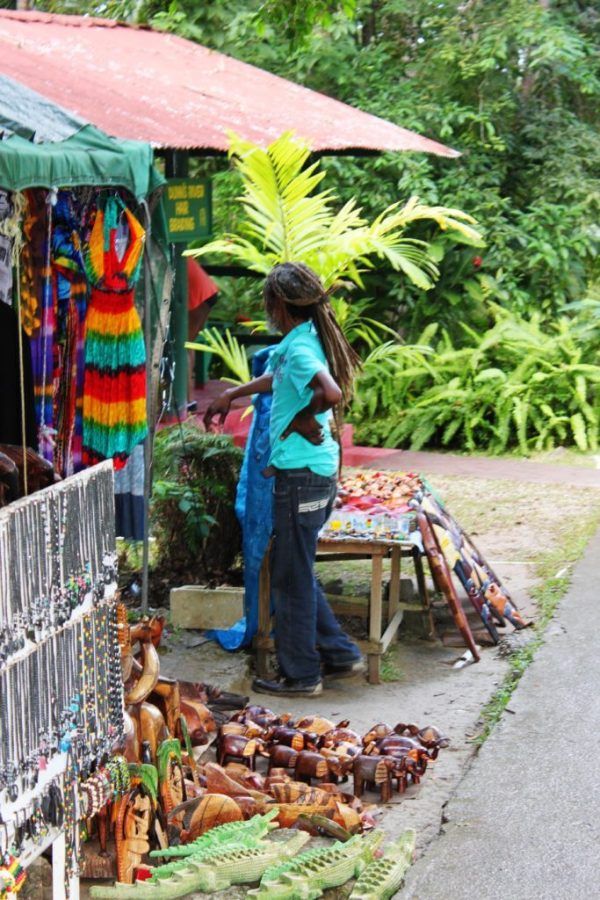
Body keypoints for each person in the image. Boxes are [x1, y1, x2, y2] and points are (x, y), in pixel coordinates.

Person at [204, 262, 363, 696]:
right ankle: (340, 653)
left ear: (279, 304)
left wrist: (296, 421)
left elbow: (329, 392)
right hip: (310, 476)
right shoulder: (302, 340)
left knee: (291, 578)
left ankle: (303, 675)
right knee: (296, 568)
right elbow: (282, 379)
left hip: (302, 479)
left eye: (267, 301)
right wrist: (234, 392)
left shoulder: (300, 349)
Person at [187, 257, 219, 406]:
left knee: (182, 346)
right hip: (208, 293)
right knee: (188, 344)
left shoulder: (166, 251)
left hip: (199, 296)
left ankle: (187, 399)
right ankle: (188, 397)